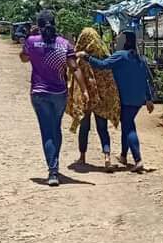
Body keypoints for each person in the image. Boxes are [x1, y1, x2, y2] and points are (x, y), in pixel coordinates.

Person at [20, 10, 84, 186]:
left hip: (39, 94)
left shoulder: (32, 42)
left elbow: (23, 58)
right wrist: (84, 90)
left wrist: (30, 37)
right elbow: (74, 67)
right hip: (59, 94)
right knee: (55, 129)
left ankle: (53, 171)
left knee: (47, 131)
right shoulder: (65, 44)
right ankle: (55, 166)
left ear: (38, 25)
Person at [76, 31, 154, 173]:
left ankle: (138, 160)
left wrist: (86, 56)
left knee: (129, 127)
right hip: (138, 100)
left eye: (118, 39)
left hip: (125, 98)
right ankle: (123, 156)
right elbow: (147, 78)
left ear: (123, 41)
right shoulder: (140, 58)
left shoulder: (120, 56)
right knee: (127, 124)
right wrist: (149, 99)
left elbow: (102, 65)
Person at [67, 27, 120, 170]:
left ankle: (82, 157)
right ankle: (107, 157)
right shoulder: (104, 56)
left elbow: (73, 79)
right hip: (101, 100)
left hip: (85, 99)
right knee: (102, 128)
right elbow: (110, 81)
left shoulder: (80, 60)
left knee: (84, 128)